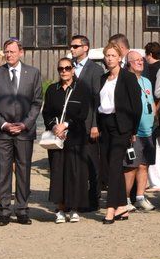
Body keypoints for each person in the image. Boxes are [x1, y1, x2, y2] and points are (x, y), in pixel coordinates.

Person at [0, 39, 43, 225]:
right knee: (3, 171)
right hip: (3, 132)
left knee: (23, 170)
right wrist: (3, 124)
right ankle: (4, 210)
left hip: (24, 131)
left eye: (12, 51)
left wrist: (25, 124)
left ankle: (22, 209)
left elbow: (37, 102)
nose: (9, 55)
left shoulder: (32, 73)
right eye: (6, 52)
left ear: (21, 52)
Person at [95, 44, 142, 224]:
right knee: (108, 166)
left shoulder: (128, 78)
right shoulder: (102, 78)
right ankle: (122, 205)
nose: (109, 58)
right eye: (107, 55)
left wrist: (133, 130)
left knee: (115, 166)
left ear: (120, 58)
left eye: (113, 55)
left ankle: (111, 208)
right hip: (105, 125)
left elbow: (136, 107)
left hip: (121, 126)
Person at [43, 58, 92, 223]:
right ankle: (60, 208)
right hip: (56, 138)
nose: (64, 71)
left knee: (75, 172)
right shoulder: (52, 90)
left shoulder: (82, 89)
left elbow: (83, 113)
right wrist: (54, 127)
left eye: (67, 68)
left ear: (73, 70)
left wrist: (66, 125)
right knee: (57, 172)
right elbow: (47, 113)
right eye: (60, 69)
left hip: (75, 136)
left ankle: (74, 208)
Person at [70, 34, 105, 212]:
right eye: (71, 46)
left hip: (89, 123)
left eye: (76, 46)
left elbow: (97, 99)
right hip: (72, 124)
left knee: (92, 163)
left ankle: (94, 198)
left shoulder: (95, 70)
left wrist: (95, 124)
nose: (72, 49)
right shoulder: (69, 68)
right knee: (76, 163)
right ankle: (78, 197)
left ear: (85, 48)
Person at [126, 50, 156, 211]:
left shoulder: (146, 81)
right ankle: (125, 200)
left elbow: (150, 102)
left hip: (148, 130)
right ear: (129, 63)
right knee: (131, 166)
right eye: (136, 60)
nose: (140, 62)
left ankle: (140, 197)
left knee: (144, 165)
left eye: (142, 60)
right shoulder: (126, 81)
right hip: (134, 131)